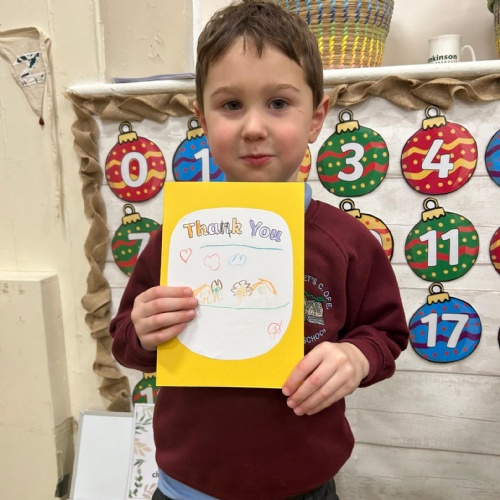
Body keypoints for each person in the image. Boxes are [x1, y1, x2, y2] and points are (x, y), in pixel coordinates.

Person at [110, 1, 409, 499]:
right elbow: (125, 341)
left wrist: (355, 357)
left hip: (304, 486)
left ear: (316, 118)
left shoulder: (348, 242)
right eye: (230, 105)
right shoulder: (176, 238)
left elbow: (386, 332)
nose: (253, 127)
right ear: (201, 119)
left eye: (278, 103)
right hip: (187, 487)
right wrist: (141, 330)